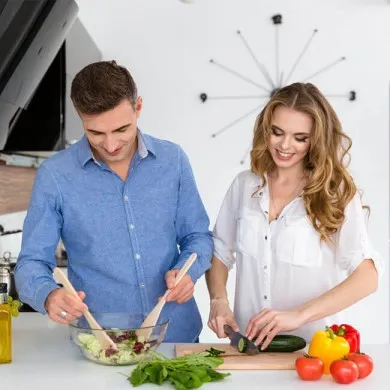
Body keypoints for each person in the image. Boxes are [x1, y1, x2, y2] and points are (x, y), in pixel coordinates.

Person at [14, 60, 213, 342]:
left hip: (176, 337)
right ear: (80, 118)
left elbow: (198, 237)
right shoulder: (55, 175)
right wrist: (48, 295)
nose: (110, 145)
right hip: (100, 343)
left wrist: (187, 272)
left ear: (138, 108)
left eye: (121, 129)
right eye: (95, 133)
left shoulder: (173, 161)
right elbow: (32, 261)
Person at [206, 82, 383, 349]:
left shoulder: (335, 194)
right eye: (277, 133)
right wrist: (218, 300)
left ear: (317, 140)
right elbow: (219, 251)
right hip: (248, 349)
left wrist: (298, 315)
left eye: (300, 138)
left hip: (317, 350)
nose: (285, 145)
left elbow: (367, 276)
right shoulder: (245, 186)